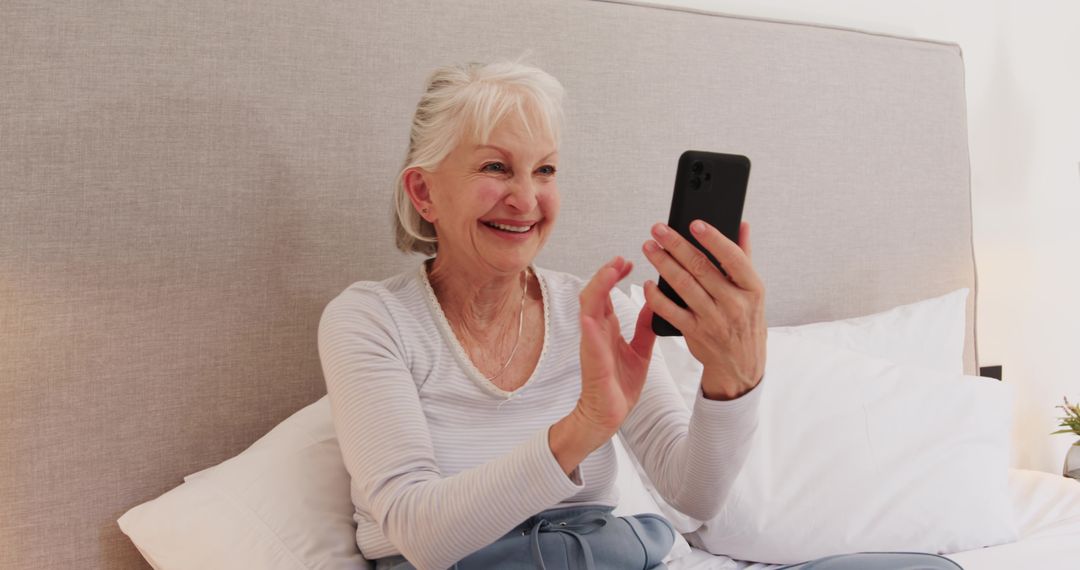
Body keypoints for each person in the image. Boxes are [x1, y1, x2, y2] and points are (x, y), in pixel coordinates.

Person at [317, 60, 961, 570]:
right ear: (423, 191)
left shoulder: (591, 310)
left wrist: (731, 382)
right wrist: (585, 426)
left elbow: (692, 496)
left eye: (545, 169)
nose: (526, 198)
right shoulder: (370, 322)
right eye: (495, 167)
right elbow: (420, 536)